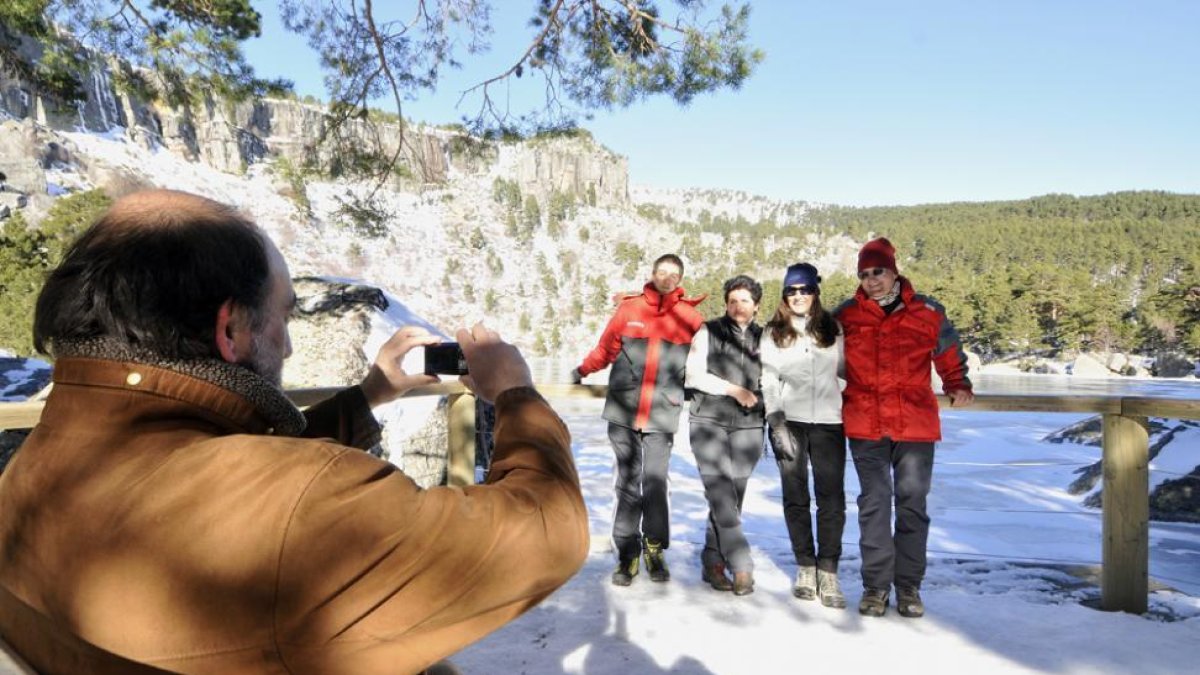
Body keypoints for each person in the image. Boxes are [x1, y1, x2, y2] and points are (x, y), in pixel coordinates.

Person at [0, 189, 589, 674]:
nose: (288, 342)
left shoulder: (36, 465)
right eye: (282, 316)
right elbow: (546, 533)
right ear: (229, 328)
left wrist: (368, 397)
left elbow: (224, 484)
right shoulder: (308, 503)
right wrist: (516, 392)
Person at [834, 237, 974, 619]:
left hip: (914, 423)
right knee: (874, 504)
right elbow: (819, 354)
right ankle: (876, 587)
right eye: (864, 274)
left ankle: (908, 586)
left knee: (912, 506)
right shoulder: (845, 315)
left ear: (893, 270)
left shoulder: (927, 311)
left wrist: (957, 382)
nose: (871, 280)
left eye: (877, 271)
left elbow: (947, 350)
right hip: (865, 422)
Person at [571, 253, 704, 586]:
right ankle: (627, 553)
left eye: (674, 274)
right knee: (628, 483)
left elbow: (704, 364)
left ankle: (655, 547)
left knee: (656, 483)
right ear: (653, 273)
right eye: (662, 271)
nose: (667, 278)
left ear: (681, 279)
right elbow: (605, 349)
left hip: (663, 411)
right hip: (624, 409)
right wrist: (581, 371)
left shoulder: (691, 319)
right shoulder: (629, 310)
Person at [760, 262, 848, 609]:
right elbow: (768, 378)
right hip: (790, 421)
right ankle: (804, 567)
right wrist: (775, 420)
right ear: (785, 295)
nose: (798, 296)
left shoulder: (833, 329)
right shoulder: (774, 332)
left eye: (805, 289)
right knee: (795, 497)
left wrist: (838, 394)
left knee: (832, 500)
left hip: (829, 423)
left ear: (816, 292)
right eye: (792, 291)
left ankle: (828, 571)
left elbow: (843, 370)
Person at [685, 275, 765, 596]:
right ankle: (740, 562)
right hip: (709, 421)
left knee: (733, 498)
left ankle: (712, 560)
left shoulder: (766, 338)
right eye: (732, 300)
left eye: (745, 300)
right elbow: (693, 375)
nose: (738, 306)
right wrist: (733, 389)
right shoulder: (709, 331)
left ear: (756, 306)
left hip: (749, 425)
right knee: (720, 493)